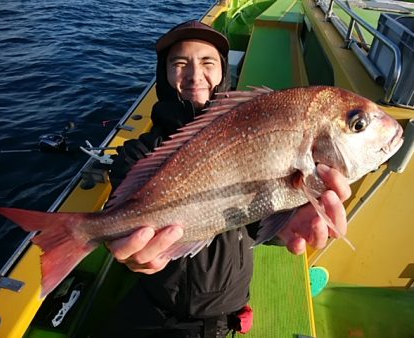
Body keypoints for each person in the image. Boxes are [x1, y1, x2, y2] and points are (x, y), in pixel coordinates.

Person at [100, 20, 351, 338]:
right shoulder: (140, 152)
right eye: (180, 63)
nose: (194, 75)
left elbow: (260, 223)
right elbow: (118, 211)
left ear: (223, 72)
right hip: (153, 305)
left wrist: (290, 217)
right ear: (163, 74)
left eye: (208, 62)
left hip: (224, 318)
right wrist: (119, 243)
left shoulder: (254, 137)